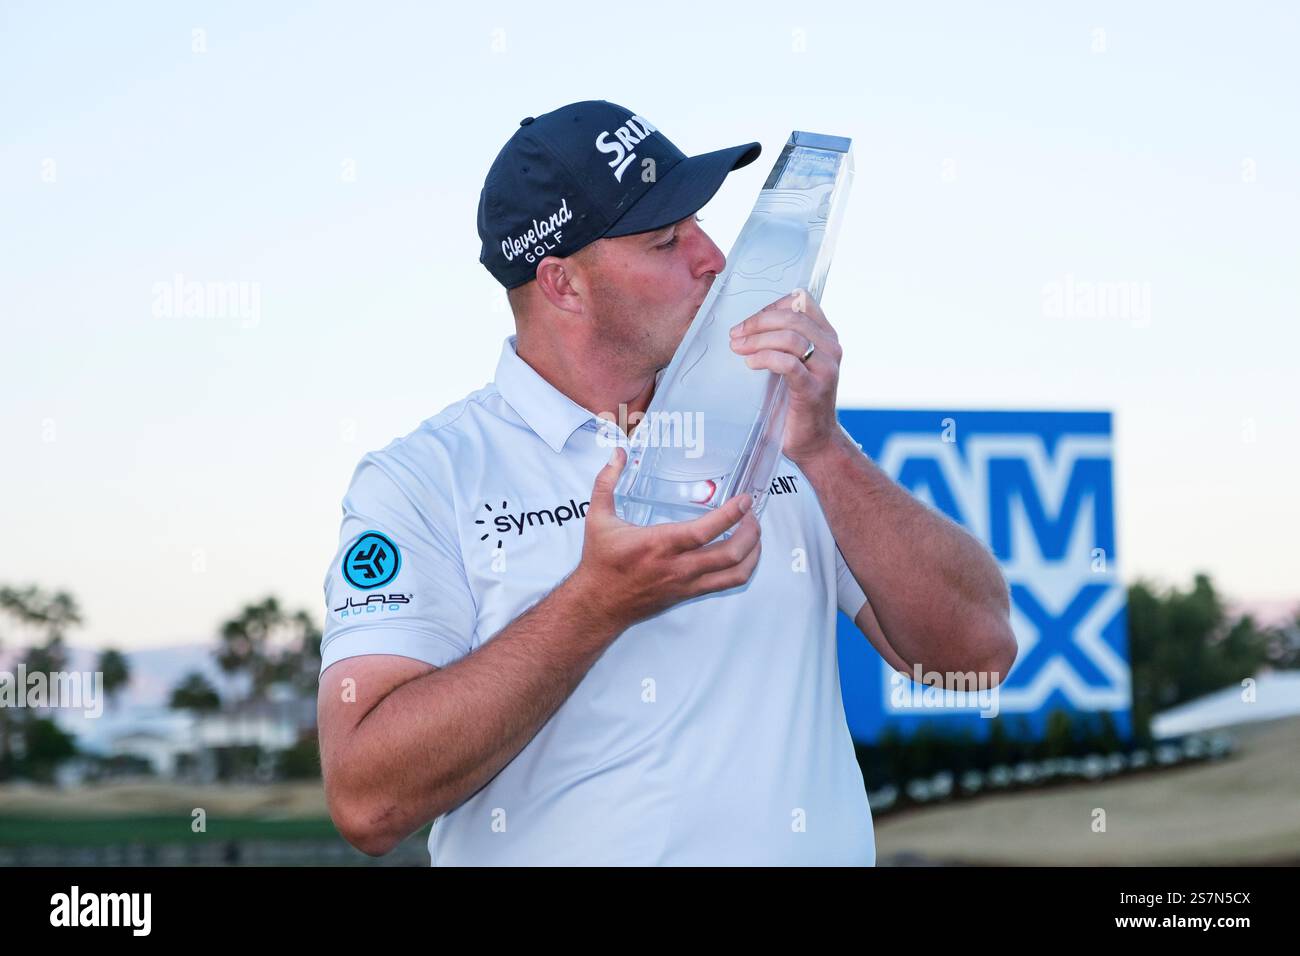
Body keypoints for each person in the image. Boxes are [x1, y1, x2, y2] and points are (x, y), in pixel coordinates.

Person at [316, 99, 1017, 865]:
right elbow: (365, 800)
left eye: (700, 224)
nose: (713, 257)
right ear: (562, 285)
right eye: (666, 239)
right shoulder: (422, 479)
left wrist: (823, 450)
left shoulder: (779, 421)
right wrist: (598, 602)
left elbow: (978, 656)